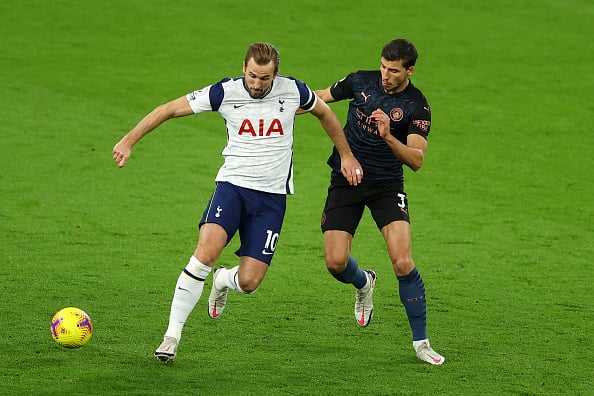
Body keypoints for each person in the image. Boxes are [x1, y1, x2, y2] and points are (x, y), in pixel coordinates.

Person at [112, 42, 362, 363]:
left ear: (276, 75)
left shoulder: (294, 91)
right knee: (205, 254)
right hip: (232, 188)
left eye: (265, 79)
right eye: (252, 76)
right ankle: (171, 336)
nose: (257, 85)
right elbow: (169, 109)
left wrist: (346, 155)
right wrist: (128, 140)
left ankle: (223, 280)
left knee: (249, 282)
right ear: (244, 67)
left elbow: (325, 114)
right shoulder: (224, 93)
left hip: (271, 200)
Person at [314, 38, 445, 365]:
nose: (386, 75)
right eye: (384, 67)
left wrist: (388, 136)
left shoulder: (418, 106)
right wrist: (280, 97)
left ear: (409, 71)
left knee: (402, 262)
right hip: (347, 179)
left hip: (387, 185)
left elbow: (416, 160)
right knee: (335, 263)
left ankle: (422, 342)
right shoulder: (360, 81)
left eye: (394, 71)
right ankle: (364, 282)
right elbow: (317, 99)